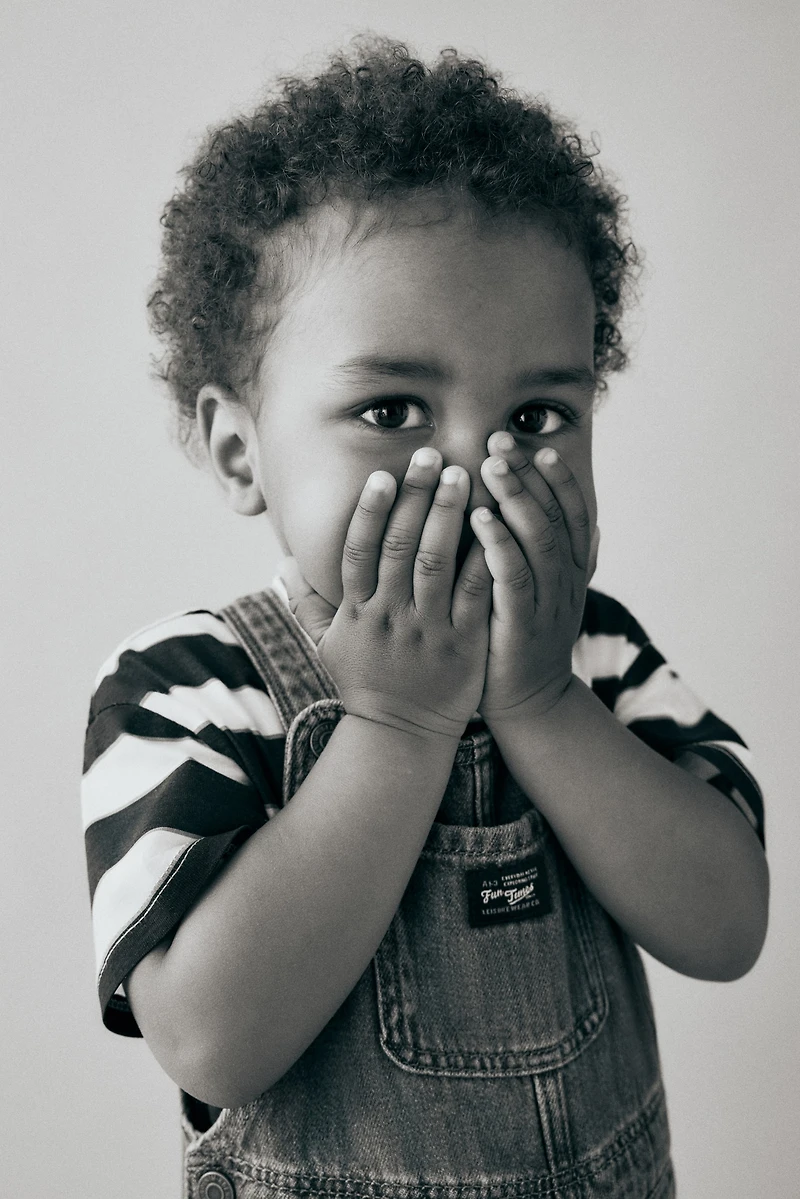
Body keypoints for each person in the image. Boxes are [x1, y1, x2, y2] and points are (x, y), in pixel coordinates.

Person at [81, 35, 768, 1198]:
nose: (474, 461)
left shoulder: (593, 653)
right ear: (240, 448)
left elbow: (727, 923)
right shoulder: (187, 685)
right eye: (391, 405)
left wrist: (544, 702)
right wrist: (395, 728)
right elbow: (212, 1038)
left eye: (540, 414)